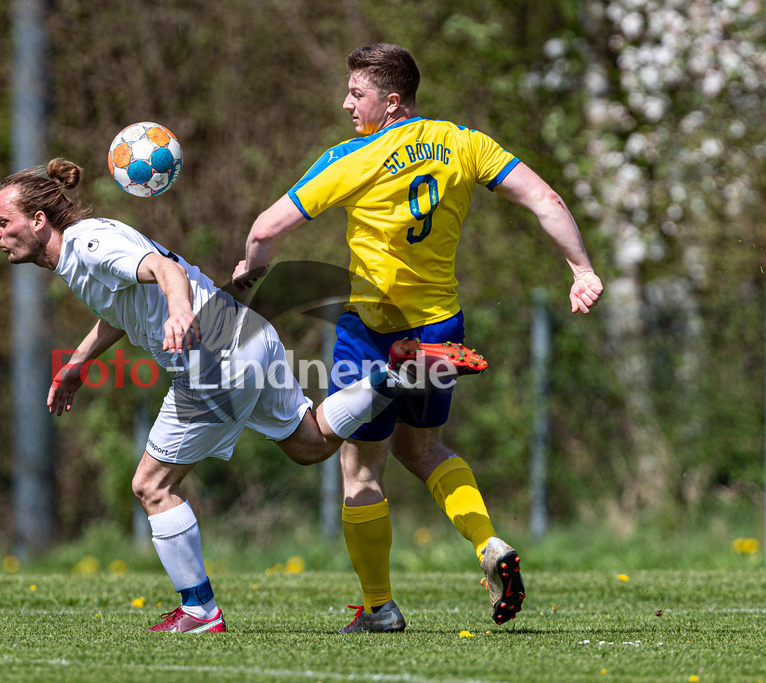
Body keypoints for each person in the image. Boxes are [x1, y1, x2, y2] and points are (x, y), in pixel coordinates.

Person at [0, 157, 467, 633]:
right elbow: (119, 308)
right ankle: (391, 376)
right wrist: (78, 363)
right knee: (311, 444)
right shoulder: (82, 252)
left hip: (212, 356)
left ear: (37, 221)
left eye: (2, 221)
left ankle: (199, 612)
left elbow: (162, 269)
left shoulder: (88, 244)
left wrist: (179, 313)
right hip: (246, 334)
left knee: (151, 486)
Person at [234, 43, 603, 632]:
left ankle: (379, 608)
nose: (347, 103)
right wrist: (581, 270)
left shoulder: (352, 157)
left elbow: (265, 229)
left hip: (373, 332)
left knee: (360, 470)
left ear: (392, 100)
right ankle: (488, 544)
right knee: (423, 450)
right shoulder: (466, 142)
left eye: (358, 93)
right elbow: (544, 198)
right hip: (439, 327)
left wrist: (244, 299)